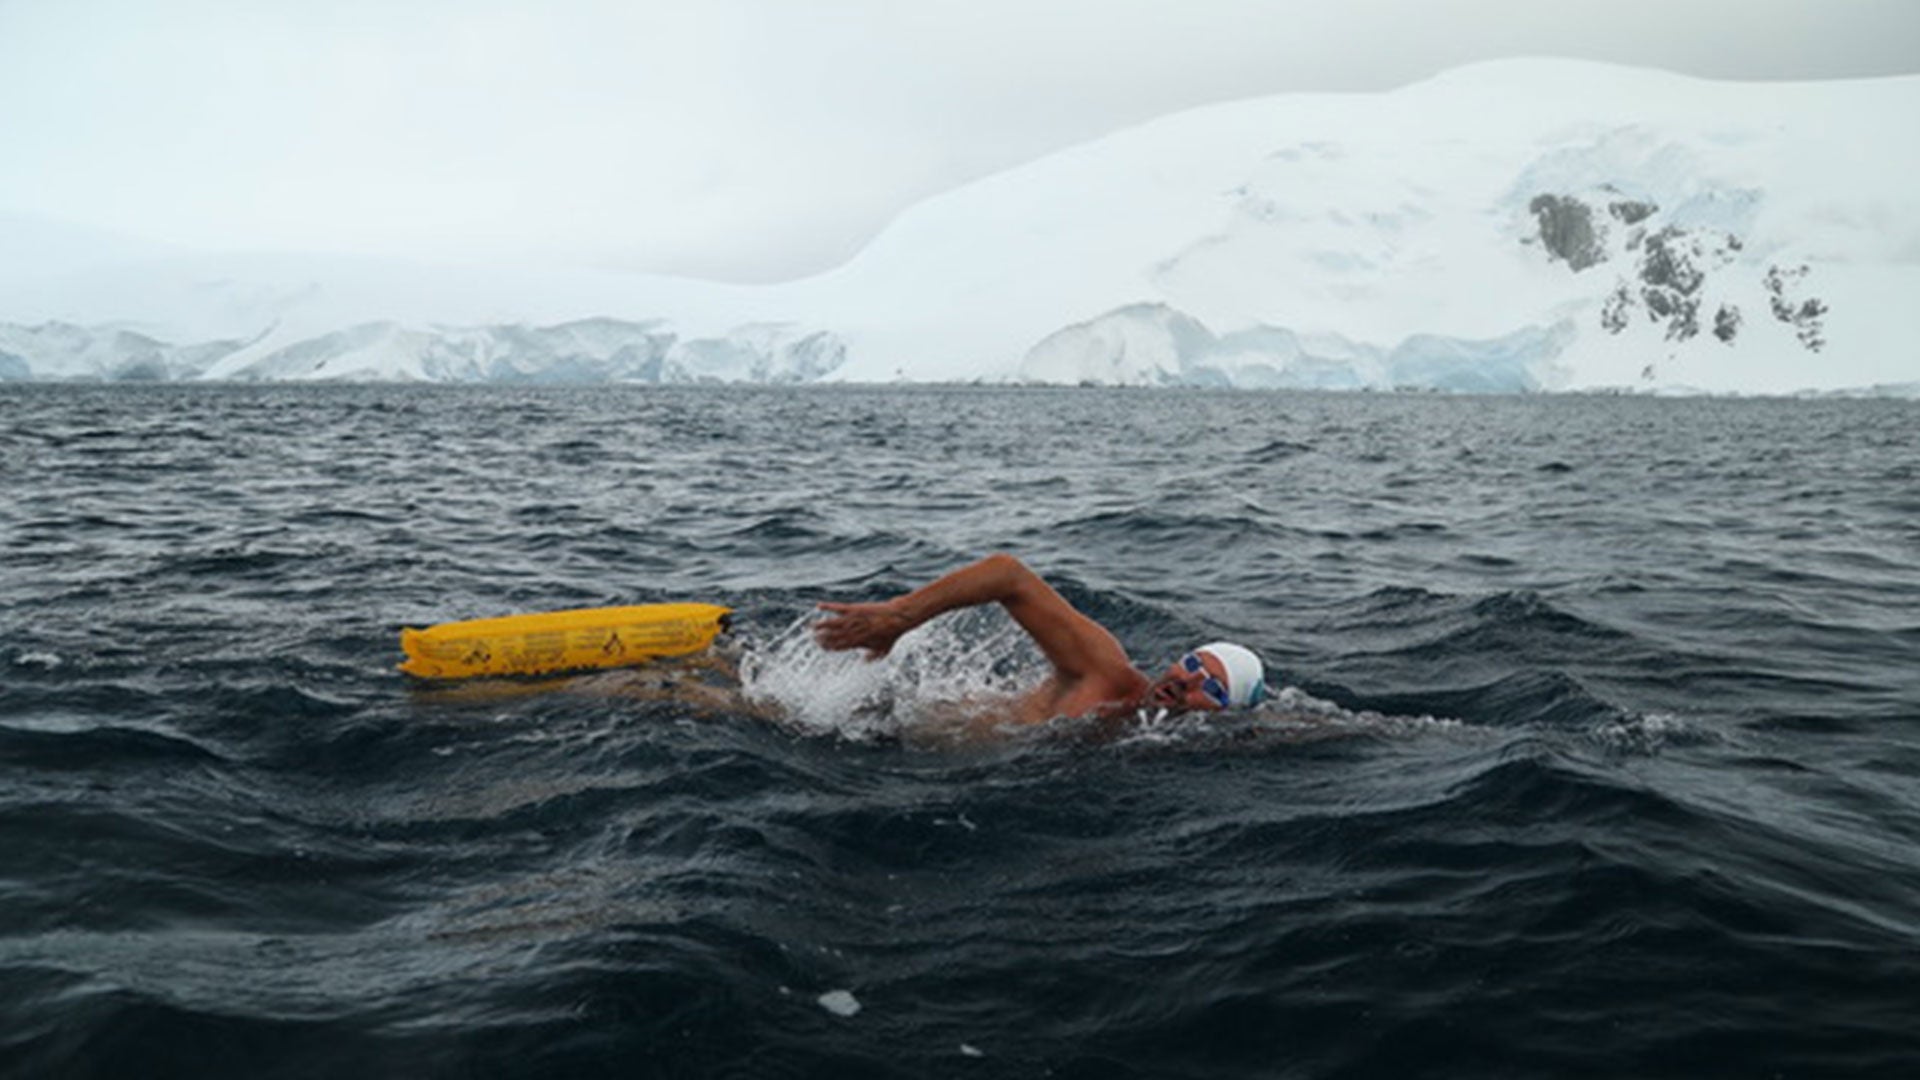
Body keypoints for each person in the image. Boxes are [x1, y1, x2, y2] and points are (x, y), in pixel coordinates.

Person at [814, 553, 1267, 725]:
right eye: (1191, 664)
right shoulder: (1105, 674)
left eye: (1209, 687)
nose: (1183, 682)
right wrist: (900, 617)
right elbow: (1008, 576)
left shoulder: (1177, 741)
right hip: (883, 723)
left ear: (1228, 715)